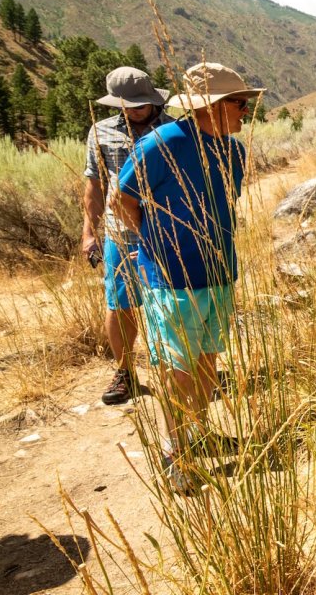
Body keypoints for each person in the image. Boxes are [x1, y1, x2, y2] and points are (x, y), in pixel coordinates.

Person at [115, 62, 262, 495]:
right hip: (171, 279)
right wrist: (154, 239)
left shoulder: (234, 151)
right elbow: (120, 198)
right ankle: (174, 454)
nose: (245, 113)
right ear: (212, 106)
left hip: (217, 274)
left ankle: (195, 437)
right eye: (239, 104)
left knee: (206, 364)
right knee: (179, 369)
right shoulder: (161, 143)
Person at [83, 66, 173, 406]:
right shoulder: (100, 132)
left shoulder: (174, 128)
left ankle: (177, 370)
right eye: (128, 105)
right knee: (120, 304)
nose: (136, 110)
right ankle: (124, 373)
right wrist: (89, 233)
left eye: (141, 104)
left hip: (168, 233)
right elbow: (94, 184)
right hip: (120, 234)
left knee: (170, 303)